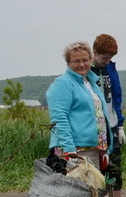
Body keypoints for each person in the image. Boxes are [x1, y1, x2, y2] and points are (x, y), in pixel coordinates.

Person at [46, 41, 111, 175]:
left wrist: (105, 148)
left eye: (85, 60)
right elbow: (59, 118)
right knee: (76, 192)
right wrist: (69, 148)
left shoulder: (91, 83)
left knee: (93, 191)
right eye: (76, 61)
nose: (81, 64)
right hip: (75, 150)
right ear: (68, 63)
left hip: (94, 148)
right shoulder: (63, 83)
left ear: (91, 60)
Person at [90, 34, 125, 197]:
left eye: (110, 58)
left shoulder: (111, 68)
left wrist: (120, 125)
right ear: (94, 52)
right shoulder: (86, 71)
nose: (107, 61)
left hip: (112, 128)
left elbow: (117, 96)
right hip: (94, 130)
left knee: (115, 173)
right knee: (95, 175)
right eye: (104, 58)